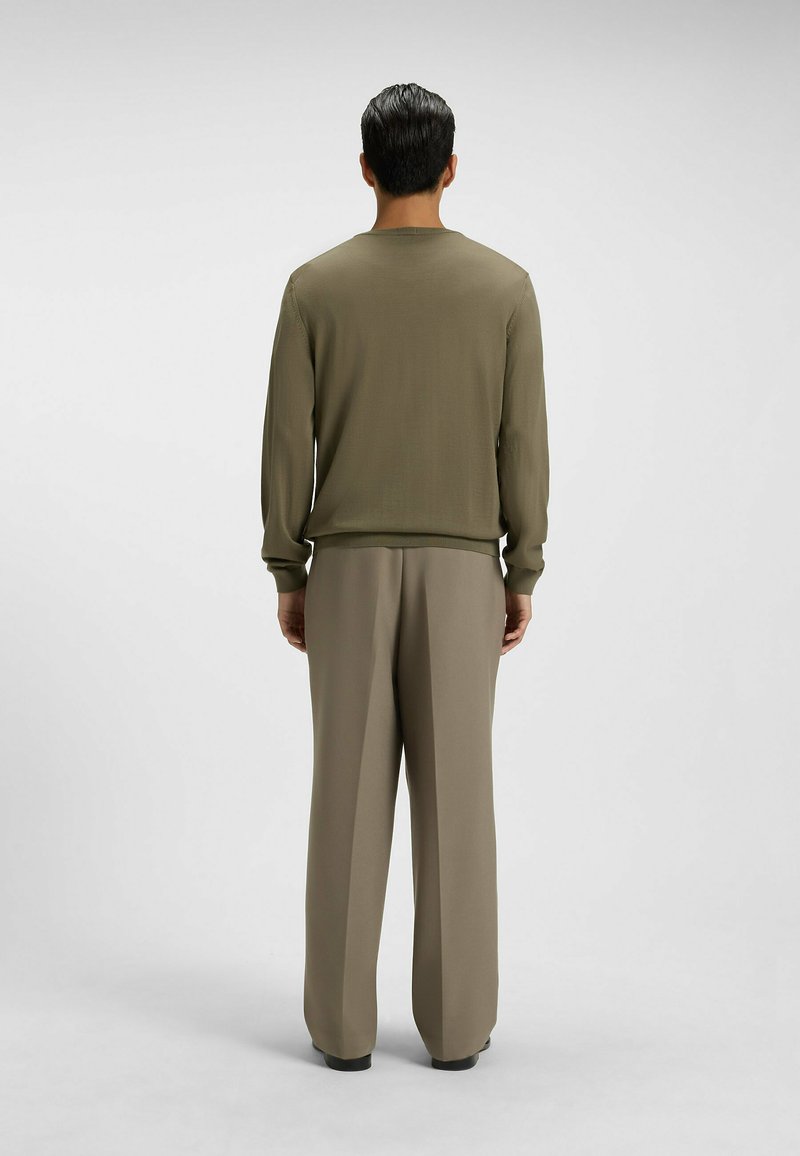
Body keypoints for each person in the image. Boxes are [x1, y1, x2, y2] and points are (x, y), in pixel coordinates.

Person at [260, 81, 549, 1072]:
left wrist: (287, 565)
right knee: (456, 799)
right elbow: (522, 441)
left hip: (342, 569)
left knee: (344, 795)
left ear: (365, 168)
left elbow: (285, 439)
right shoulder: (504, 289)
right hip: (465, 569)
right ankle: (457, 1029)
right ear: (451, 168)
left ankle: (341, 1032)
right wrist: (522, 565)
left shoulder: (315, 287)